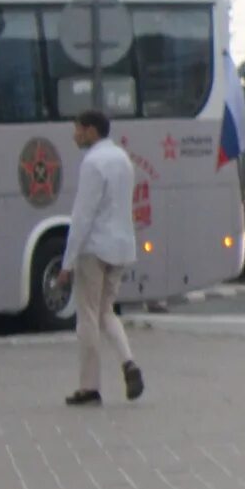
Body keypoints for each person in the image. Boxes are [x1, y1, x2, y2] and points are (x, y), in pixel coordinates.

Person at [62, 110, 143, 407]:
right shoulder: (123, 158)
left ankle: (89, 387)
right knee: (107, 311)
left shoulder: (92, 163)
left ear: (91, 131)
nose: (75, 135)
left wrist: (67, 262)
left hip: (94, 249)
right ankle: (128, 362)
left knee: (87, 316)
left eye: (78, 129)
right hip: (121, 246)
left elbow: (83, 215)